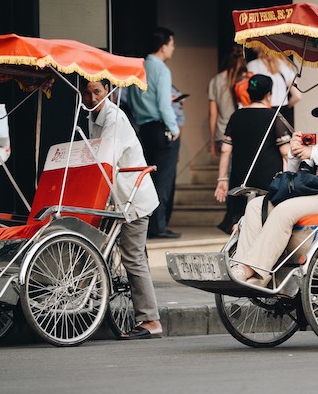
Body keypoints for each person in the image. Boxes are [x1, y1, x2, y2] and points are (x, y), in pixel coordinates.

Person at [229, 87, 318, 287]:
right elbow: (299, 176)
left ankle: (251, 269)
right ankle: (243, 266)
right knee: (256, 206)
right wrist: (294, 155)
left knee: (285, 209)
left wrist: (313, 153)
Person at [81, 79, 163, 339]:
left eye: (98, 92)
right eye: (87, 92)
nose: (92, 97)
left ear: (109, 92)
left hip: (133, 198)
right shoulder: (94, 117)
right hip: (115, 198)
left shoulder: (114, 118)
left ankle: (151, 321)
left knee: (133, 258)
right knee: (100, 250)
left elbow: (105, 158)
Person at [214, 74, 290, 234]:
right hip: (268, 180)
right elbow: (285, 153)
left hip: (240, 179)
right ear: (269, 94)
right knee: (266, 223)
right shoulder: (273, 116)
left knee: (239, 221)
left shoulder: (236, 116)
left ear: (248, 93)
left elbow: (226, 150)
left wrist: (222, 179)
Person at [127, 27, 181, 239]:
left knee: (149, 178)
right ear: (163, 45)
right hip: (161, 127)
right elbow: (163, 104)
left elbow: (131, 101)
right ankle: (159, 226)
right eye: (172, 44)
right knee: (164, 179)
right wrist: (174, 128)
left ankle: (149, 225)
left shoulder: (138, 67)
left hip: (144, 129)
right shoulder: (161, 69)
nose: (173, 48)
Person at [208, 45, 247, 158]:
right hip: (243, 130)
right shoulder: (247, 79)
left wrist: (212, 141)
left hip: (222, 132)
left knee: (225, 171)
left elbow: (213, 114)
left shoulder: (216, 80)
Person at [247, 49, 302, 126]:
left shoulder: (252, 65)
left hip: (261, 110)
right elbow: (297, 96)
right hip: (281, 110)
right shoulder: (284, 65)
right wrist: (285, 107)